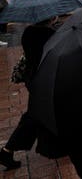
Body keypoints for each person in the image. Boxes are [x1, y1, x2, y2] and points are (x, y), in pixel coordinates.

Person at [0, 16, 58, 170]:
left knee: (38, 113)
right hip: (46, 78)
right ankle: (7, 151)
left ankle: (53, 145)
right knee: (34, 116)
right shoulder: (50, 34)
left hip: (33, 77)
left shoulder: (28, 32)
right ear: (51, 17)